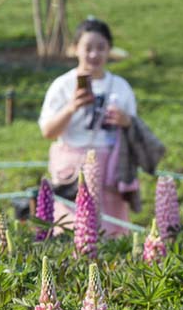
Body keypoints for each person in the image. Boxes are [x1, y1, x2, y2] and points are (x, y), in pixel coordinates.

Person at [39, 17, 136, 237]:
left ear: (110, 50)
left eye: (101, 48)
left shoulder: (121, 87)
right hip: (72, 168)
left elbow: (134, 132)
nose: (94, 54)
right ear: (75, 49)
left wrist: (125, 121)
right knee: (72, 230)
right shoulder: (62, 85)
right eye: (88, 48)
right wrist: (72, 106)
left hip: (110, 168)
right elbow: (47, 131)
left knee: (112, 230)